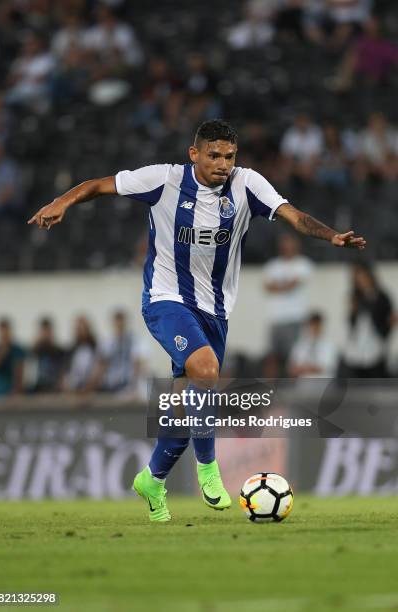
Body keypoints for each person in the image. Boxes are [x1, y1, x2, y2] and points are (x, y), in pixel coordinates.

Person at [28, 119, 366, 522]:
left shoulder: (247, 184)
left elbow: (292, 215)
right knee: (206, 369)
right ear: (195, 154)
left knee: (182, 408)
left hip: (216, 311)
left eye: (229, 156)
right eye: (214, 155)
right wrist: (61, 202)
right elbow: (99, 184)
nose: (223, 164)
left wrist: (331, 237)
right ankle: (210, 469)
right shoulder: (163, 180)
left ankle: (152, 480)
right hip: (165, 300)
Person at [263, 233, 314, 375]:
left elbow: (293, 285)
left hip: (295, 319)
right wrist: (284, 286)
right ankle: (271, 392)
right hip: (276, 319)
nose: (288, 247)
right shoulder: (272, 265)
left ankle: (292, 393)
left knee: (294, 359)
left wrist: (278, 286)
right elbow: (267, 287)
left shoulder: (303, 264)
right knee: (273, 359)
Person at [342, 263, 393, 377]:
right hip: (359, 342)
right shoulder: (355, 296)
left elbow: (388, 317)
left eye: (363, 277)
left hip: (376, 341)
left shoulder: (381, 296)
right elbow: (351, 320)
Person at [87, 310, 149, 395]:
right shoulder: (108, 342)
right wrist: (91, 387)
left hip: (128, 384)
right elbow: (101, 366)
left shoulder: (135, 340)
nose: (119, 325)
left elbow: (138, 365)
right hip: (111, 385)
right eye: (117, 322)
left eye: (121, 322)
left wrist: (135, 387)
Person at [288, 312, 337, 378]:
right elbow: (292, 368)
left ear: (321, 326)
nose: (314, 328)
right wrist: (304, 368)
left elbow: (326, 367)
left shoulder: (329, 345)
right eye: (312, 325)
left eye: (317, 325)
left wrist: (304, 368)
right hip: (303, 384)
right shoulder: (300, 344)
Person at [28, 317, 66, 393]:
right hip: (38, 387)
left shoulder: (58, 351)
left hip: (54, 387)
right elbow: (30, 357)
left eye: (48, 331)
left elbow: (62, 369)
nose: (46, 334)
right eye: (44, 331)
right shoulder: (37, 349)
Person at [0, 318, 25, 398]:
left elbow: (19, 373)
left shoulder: (17, 350)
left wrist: (17, 390)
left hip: (13, 394)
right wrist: (1, 353)